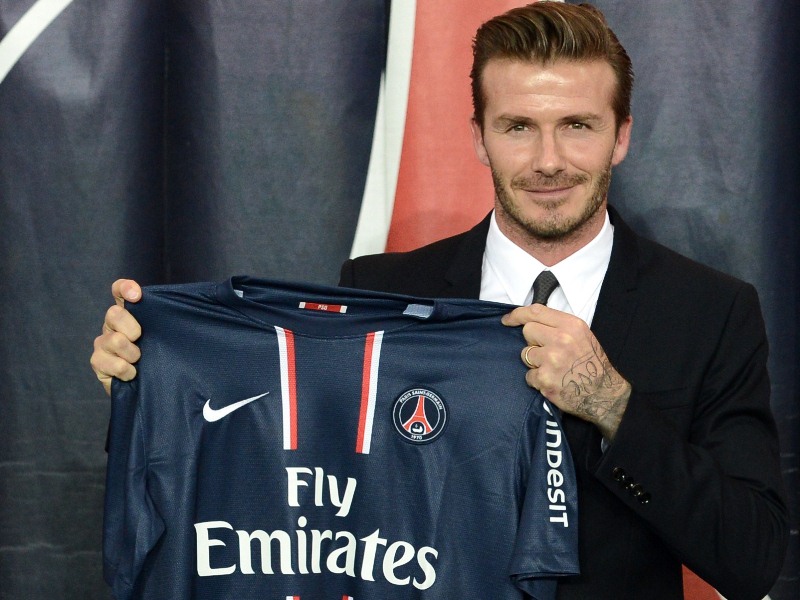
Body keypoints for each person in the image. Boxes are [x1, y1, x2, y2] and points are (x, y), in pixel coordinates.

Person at [91, 2, 788, 599]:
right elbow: (286, 458)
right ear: (478, 139)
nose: (549, 160)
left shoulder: (711, 311)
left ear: (622, 136)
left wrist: (612, 405)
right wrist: (153, 370)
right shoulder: (379, 291)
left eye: (578, 125)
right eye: (518, 127)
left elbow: (752, 558)